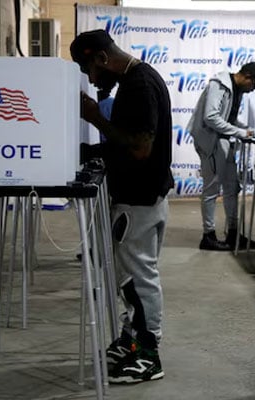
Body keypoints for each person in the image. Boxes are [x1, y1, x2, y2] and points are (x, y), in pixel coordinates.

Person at [70, 29, 173, 384]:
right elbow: (127, 140)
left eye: (91, 71)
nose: (93, 80)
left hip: (140, 198)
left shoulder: (139, 85)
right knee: (131, 276)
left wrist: (95, 118)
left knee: (138, 278)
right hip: (142, 195)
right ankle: (134, 339)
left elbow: (140, 147)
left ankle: (148, 353)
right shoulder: (136, 80)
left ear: (100, 58)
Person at [187, 62, 255, 251]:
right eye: (253, 83)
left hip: (222, 141)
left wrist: (245, 129)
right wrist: (241, 133)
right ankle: (208, 235)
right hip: (211, 142)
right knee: (211, 189)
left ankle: (233, 234)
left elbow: (227, 118)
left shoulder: (235, 89)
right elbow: (211, 117)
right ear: (246, 76)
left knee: (232, 188)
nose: (253, 89)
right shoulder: (220, 85)